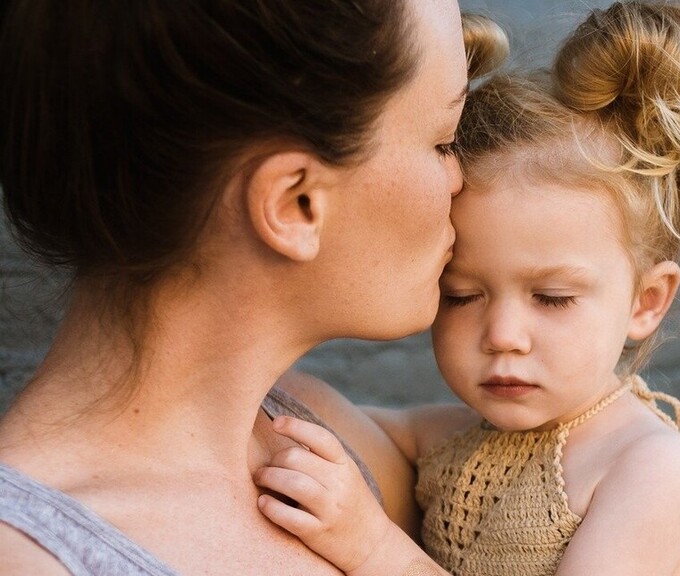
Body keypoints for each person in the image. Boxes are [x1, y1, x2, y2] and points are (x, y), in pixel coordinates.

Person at [0, 1, 505, 574]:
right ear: (296, 203)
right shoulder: (30, 559)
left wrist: (625, 466)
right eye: (445, 140)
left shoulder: (323, 434)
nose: (462, 179)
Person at [256, 1, 680, 574]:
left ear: (646, 301)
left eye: (551, 298)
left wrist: (375, 547)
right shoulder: (454, 440)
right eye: (461, 295)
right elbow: (342, 419)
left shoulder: (646, 466)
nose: (502, 335)